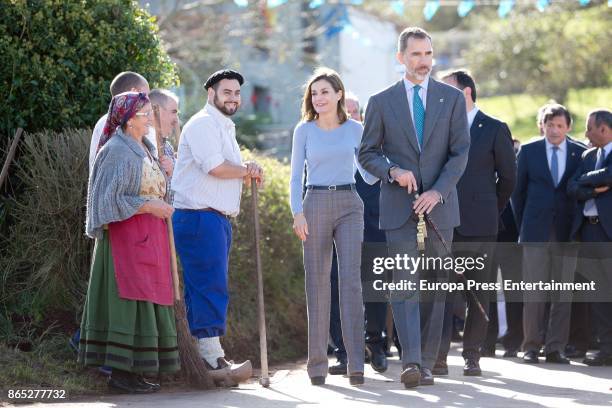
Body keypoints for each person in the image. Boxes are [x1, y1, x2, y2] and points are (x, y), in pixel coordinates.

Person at [359, 27, 470, 388]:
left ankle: (426, 358)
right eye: (415, 55)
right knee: (404, 283)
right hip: (398, 207)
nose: (423, 61)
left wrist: (437, 191)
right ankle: (411, 362)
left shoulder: (451, 99)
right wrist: (392, 171)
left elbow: (459, 153)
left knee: (436, 286)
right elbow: (367, 154)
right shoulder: (381, 101)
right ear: (400, 58)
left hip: (440, 207)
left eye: (428, 54)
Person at [79, 92, 179, 393]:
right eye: (145, 113)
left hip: (150, 240)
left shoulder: (146, 147)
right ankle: (120, 375)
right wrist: (148, 206)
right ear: (127, 118)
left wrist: (167, 175)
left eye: (150, 112)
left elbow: (156, 189)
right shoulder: (116, 151)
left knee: (147, 301)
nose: (151, 118)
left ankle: (136, 373)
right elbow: (104, 202)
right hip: (124, 243)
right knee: (128, 302)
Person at [171, 69, 261, 385]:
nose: (233, 97)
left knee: (206, 285)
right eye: (227, 92)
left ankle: (206, 354)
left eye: (236, 92)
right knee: (209, 285)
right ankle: (210, 357)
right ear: (211, 93)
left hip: (215, 219)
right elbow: (216, 168)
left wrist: (246, 170)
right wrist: (245, 171)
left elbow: (227, 169)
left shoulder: (224, 127)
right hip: (198, 217)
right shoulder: (203, 124)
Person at [290, 68, 374, 386]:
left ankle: (356, 363)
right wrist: (297, 212)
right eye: (314, 93)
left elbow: (367, 175)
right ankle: (317, 366)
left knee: (351, 283)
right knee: (317, 285)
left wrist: (388, 166)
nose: (319, 98)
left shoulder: (355, 129)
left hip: (350, 203)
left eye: (325, 91)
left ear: (339, 94)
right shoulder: (304, 130)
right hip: (314, 204)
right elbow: (296, 176)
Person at [435, 70, 516, 376]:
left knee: (478, 294)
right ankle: (439, 356)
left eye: (447, 90)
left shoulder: (494, 128)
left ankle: (472, 356)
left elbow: (508, 178)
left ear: (466, 92)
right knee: (440, 292)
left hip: (482, 226)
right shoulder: (438, 128)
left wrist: (489, 210)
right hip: (443, 224)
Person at [511, 103, 586, 364]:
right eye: (549, 124)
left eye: (559, 125)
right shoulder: (529, 151)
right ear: (541, 125)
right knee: (534, 292)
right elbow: (517, 194)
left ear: (568, 127)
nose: (554, 130)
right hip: (535, 231)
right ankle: (531, 345)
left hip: (567, 232)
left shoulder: (580, 153)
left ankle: (556, 348)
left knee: (562, 293)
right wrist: (525, 227)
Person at [327, 93, 389, 376]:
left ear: (362, 117)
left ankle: (375, 344)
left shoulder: (375, 149)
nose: (350, 116)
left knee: (375, 287)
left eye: (354, 111)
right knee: (338, 287)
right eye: (346, 111)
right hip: (336, 228)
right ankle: (343, 352)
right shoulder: (325, 145)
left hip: (373, 227)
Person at [567, 109, 612, 366]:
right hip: (590, 231)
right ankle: (606, 349)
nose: (585, 134)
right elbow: (572, 187)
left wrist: (587, 182)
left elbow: (609, 175)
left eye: (589, 128)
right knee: (599, 294)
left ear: (604, 129)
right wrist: (592, 187)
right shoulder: (587, 155)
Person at [89, 72, 157, 173]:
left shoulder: (104, 122)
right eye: (146, 94)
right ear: (134, 92)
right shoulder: (131, 122)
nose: (148, 100)